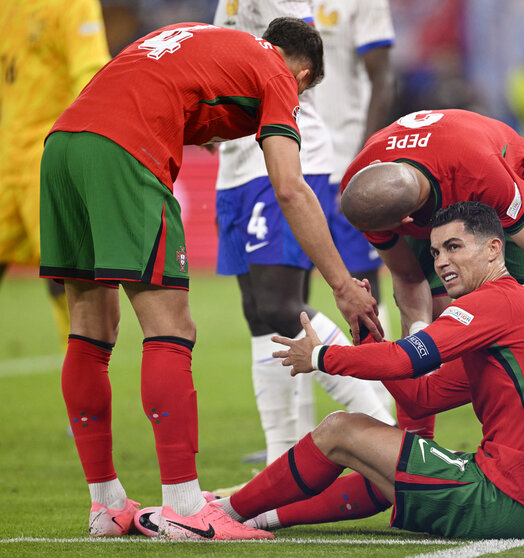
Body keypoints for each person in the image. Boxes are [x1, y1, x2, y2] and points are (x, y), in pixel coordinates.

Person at [40, 17, 381, 540]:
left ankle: (105, 504)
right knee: (171, 327)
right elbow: (289, 187)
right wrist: (342, 283)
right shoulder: (278, 74)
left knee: (91, 328)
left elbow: (166, 88)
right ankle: (184, 506)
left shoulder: (201, 37)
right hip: (126, 150)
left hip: (64, 145)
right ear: (304, 71)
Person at [208, 201, 524, 539]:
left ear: (493, 249)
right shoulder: (523, 310)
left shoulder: (494, 303)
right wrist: (369, 336)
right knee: (376, 460)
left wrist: (322, 355)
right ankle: (254, 518)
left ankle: (218, 516)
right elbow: (422, 398)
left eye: (454, 247)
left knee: (341, 429)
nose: (441, 261)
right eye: (437, 251)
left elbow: (409, 358)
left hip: (509, 498)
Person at [211, 0, 394, 473]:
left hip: (281, 144)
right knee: (259, 313)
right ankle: (280, 458)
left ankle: (386, 432)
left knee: (279, 303)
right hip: (235, 159)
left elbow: (291, 58)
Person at [339, 108, 524, 437]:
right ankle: (413, 448)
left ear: (407, 222)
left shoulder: (485, 175)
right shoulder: (363, 188)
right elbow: (407, 277)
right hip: (442, 176)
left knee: (512, 317)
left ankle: (521, 438)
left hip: (506, 173)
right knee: (425, 321)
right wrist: (420, 335)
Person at [0, 0, 109, 348]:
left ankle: (82, 374)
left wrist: (94, 146)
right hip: (5, 153)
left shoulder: (73, 3)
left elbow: (90, 75)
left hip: (50, 153)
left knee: (66, 274)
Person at [314, 0, 396, 331]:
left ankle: (381, 382)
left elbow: (383, 80)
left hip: (345, 160)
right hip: (291, 162)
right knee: (280, 291)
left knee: (362, 283)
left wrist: (362, 161)